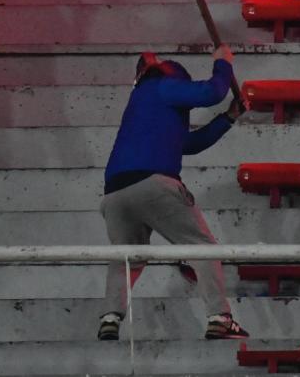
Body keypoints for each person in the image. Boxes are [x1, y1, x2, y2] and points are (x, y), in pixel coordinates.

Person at [97, 45, 249, 341]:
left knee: (126, 256)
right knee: (201, 247)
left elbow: (187, 144)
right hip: (153, 184)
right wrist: (222, 63)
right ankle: (219, 317)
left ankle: (110, 317)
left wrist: (228, 118)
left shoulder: (143, 104)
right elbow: (211, 92)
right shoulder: (162, 86)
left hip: (114, 194)